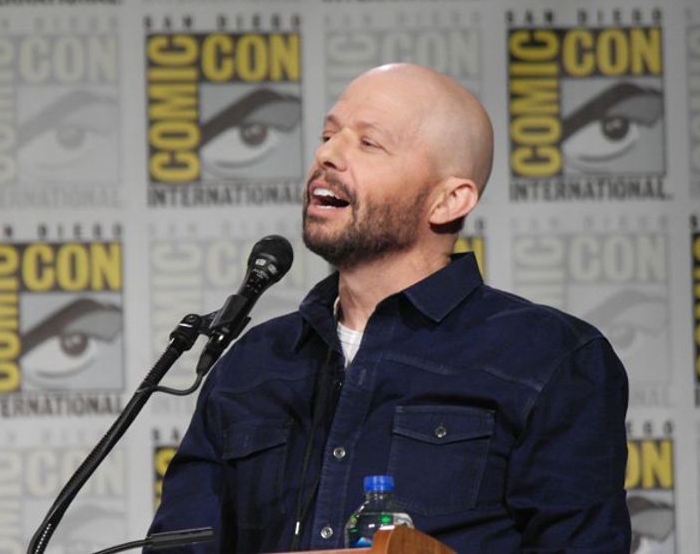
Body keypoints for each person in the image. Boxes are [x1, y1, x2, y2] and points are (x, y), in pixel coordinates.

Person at [150, 63, 631, 552]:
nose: (326, 155)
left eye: (368, 143)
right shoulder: (253, 363)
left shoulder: (550, 359)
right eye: (328, 136)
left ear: (448, 201)